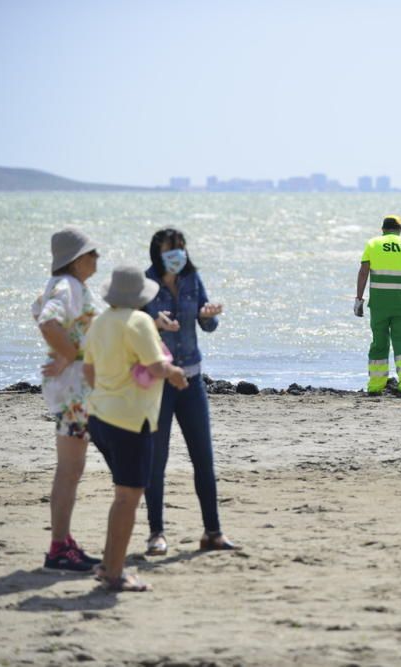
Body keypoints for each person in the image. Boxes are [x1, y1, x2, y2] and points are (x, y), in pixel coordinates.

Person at [83, 265, 189, 592]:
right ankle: (114, 573)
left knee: (123, 496)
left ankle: (108, 564)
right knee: (128, 497)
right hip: (129, 421)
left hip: (99, 417)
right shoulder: (140, 321)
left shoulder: (100, 322)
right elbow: (156, 366)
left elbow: (88, 373)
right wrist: (174, 373)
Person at [141, 228, 238, 555]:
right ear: (158, 251)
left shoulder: (193, 280)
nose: (178, 254)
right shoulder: (146, 283)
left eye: (181, 248)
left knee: (203, 459)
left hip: (193, 381)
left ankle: (213, 532)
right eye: (171, 249)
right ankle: (156, 533)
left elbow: (206, 324)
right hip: (160, 382)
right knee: (157, 460)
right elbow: (133, 329)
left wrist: (208, 316)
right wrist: (154, 323)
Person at [31, 226, 102, 572]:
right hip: (73, 392)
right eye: (92, 254)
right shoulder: (69, 286)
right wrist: (70, 353)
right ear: (76, 261)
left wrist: (65, 352)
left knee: (70, 468)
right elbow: (47, 321)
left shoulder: (62, 286)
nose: (97, 259)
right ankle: (59, 546)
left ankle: (64, 541)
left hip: (72, 389)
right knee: (70, 468)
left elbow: (37, 310)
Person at [354, 215, 401, 396]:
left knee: (379, 344)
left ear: (383, 229)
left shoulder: (372, 244)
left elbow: (363, 272)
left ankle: (375, 387)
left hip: (379, 304)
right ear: (400, 230)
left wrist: (358, 299)